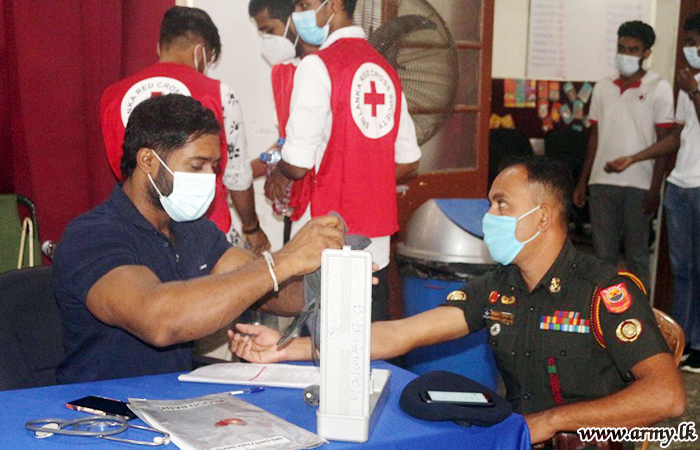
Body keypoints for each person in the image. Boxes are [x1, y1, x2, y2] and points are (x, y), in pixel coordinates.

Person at [231, 156, 685, 447]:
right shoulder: (499, 286)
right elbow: (403, 333)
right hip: (513, 436)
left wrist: (548, 423)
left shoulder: (602, 289)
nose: (489, 216)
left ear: (542, 216)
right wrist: (291, 348)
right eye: (489, 204)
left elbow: (667, 397)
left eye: (502, 204)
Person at [54, 95, 344, 384]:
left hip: (172, 402)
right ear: (147, 161)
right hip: (102, 413)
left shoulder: (192, 229)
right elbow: (160, 322)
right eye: (197, 166)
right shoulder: (92, 236)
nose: (209, 178)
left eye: (214, 167)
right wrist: (281, 261)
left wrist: (331, 278)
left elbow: (272, 293)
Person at [264, 0, 421, 321]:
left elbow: (297, 162)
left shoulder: (317, 66)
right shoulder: (384, 68)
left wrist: (277, 173)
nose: (298, 14)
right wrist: (366, 178)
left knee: (326, 347)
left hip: (328, 236)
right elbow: (408, 160)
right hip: (376, 241)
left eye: (305, 4)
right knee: (370, 348)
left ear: (333, 4)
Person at [101, 6, 271, 255]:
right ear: (201, 52)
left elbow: (121, 168)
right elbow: (237, 175)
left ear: (160, 47)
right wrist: (251, 228)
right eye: (210, 59)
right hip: (208, 232)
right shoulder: (219, 94)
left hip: (138, 233)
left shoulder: (112, 95)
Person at [605, 12, 700, 373]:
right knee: (682, 268)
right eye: (688, 42)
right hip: (679, 183)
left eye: (696, 43)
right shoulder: (686, 86)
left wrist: (693, 89)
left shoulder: (687, 85)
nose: (691, 49)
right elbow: (676, 137)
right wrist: (636, 157)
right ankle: (683, 339)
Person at [573, 21, 674, 286]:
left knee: (637, 257)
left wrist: (655, 189)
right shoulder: (603, 86)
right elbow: (594, 137)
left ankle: (638, 318)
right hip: (601, 184)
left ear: (646, 53)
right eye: (621, 48)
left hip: (639, 186)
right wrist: (584, 180)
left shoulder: (659, 88)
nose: (625, 54)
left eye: (633, 49)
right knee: (602, 257)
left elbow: (665, 143)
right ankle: (603, 314)